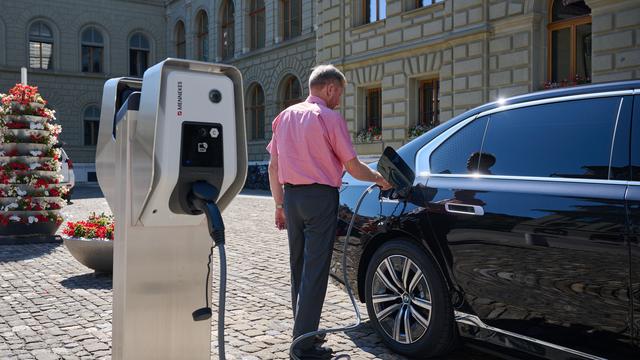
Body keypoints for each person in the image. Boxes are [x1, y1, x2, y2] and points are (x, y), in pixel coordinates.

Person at [267, 64, 391, 359]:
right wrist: (378, 178)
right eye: (340, 93)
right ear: (330, 88)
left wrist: (279, 205)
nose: (340, 99)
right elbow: (352, 166)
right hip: (320, 198)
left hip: (293, 198)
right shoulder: (329, 117)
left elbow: (273, 167)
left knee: (298, 267)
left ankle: (305, 329)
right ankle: (304, 345)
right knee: (316, 269)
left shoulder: (283, 117)